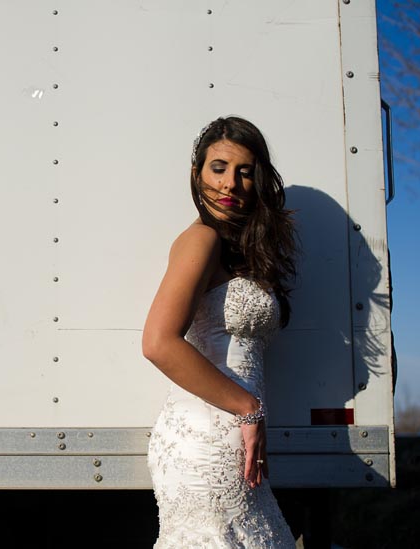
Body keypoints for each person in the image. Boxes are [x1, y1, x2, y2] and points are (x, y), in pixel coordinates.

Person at [143, 116, 296, 548]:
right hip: (206, 440)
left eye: (245, 172)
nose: (230, 184)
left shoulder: (237, 248)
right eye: (219, 168)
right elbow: (158, 343)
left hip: (234, 442)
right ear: (197, 173)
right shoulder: (202, 240)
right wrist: (248, 407)